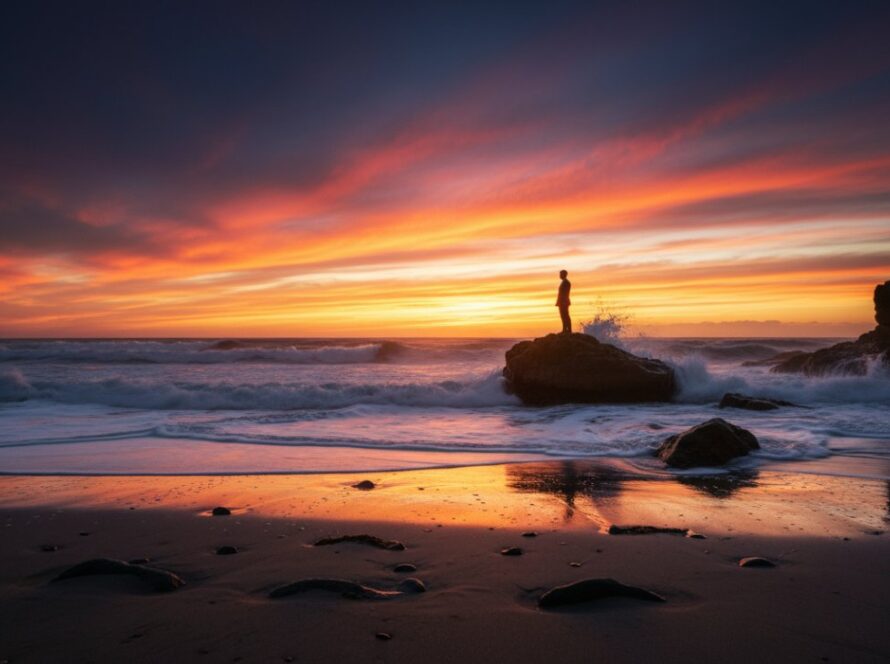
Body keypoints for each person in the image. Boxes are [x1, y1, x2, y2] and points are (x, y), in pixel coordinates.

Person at [556, 269, 571, 333]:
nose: (560, 275)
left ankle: (568, 330)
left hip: (564, 302)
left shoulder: (566, 282)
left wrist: (564, 302)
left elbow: (565, 293)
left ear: (564, 275)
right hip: (561, 302)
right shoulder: (564, 282)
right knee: (563, 316)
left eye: (561, 274)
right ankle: (564, 329)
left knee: (565, 316)